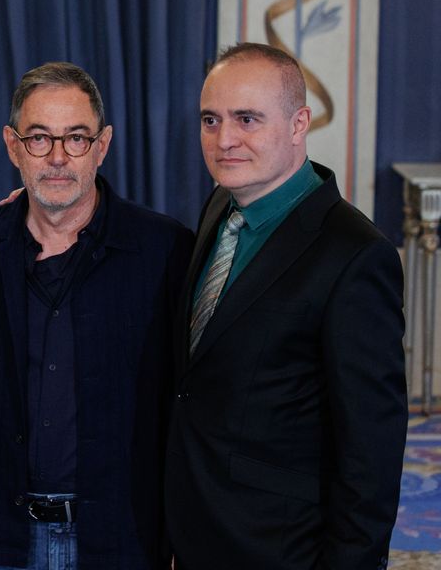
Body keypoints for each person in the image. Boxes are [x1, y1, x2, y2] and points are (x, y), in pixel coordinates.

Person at [164, 42, 407, 569]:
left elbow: (371, 453)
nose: (224, 140)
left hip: (281, 547)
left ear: (299, 123)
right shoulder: (220, 206)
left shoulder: (357, 256)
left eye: (247, 119)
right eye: (211, 119)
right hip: (197, 529)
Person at [0, 62, 193, 569]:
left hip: (123, 540)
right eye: (39, 139)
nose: (58, 157)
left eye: (76, 138)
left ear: (102, 146)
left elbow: (190, 403)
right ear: (13, 146)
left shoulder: (164, 250)